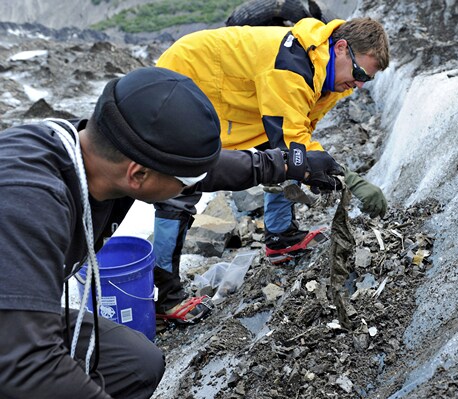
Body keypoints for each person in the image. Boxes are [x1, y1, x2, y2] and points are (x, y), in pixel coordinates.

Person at [0, 66, 342, 398]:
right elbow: (29, 364)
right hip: (15, 343)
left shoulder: (100, 157)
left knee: (135, 364)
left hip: (16, 323)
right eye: (188, 183)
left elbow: (199, 170)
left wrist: (285, 165)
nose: (194, 186)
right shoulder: (26, 201)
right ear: (138, 175)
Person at [151, 17, 390, 322]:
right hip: (186, 77)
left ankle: (281, 237)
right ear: (341, 48)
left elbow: (294, 133)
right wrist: (350, 179)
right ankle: (166, 298)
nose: (357, 86)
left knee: (282, 153)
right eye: (359, 74)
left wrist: (315, 168)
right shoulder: (292, 67)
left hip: (234, 92)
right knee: (182, 178)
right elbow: (293, 145)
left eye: (365, 81)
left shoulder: (327, 71)